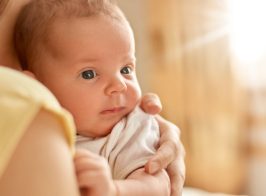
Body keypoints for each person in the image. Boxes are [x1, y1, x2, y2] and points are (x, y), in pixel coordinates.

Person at [0, 0, 185, 195]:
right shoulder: (32, 134)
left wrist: (115, 190)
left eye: (126, 69)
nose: (119, 85)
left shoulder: (129, 128)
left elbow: (159, 183)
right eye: (89, 74)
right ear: (37, 85)